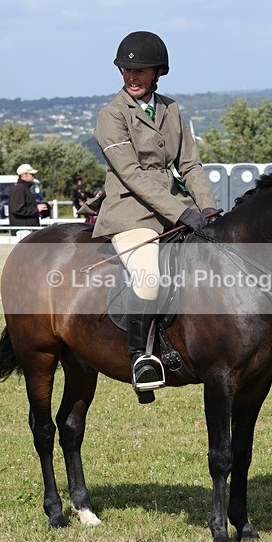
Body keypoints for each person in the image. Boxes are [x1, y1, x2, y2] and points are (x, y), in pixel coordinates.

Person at [92, 31, 218, 403]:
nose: (132, 76)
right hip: (130, 214)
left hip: (175, 211)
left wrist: (207, 207)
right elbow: (132, 175)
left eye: (140, 70)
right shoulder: (111, 115)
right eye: (126, 69)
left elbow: (190, 163)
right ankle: (140, 359)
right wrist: (183, 210)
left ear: (157, 71)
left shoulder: (171, 109)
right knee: (148, 279)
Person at [8, 164, 48, 234]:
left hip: (27, 232)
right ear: (23, 175)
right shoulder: (20, 189)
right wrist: (36, 209)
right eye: (31, 174)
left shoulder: (24, 189)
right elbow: (17, 209)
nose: (33, 176)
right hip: (24, 232)